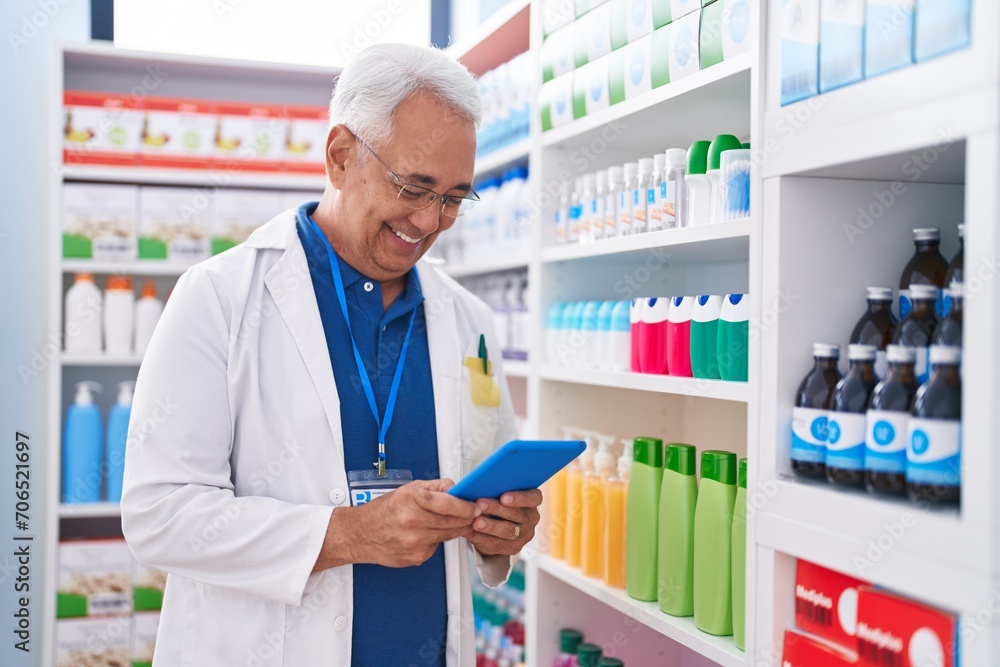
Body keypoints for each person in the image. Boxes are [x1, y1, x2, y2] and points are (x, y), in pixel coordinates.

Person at [121, 43, 541, 667]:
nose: (430, 220)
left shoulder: (468, 321)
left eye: (453, 197)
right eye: (414, 187)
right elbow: (160, 514)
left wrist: (503, 531)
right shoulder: (219, 298)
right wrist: (346, 535)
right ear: (341, 156)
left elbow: (491, 491)